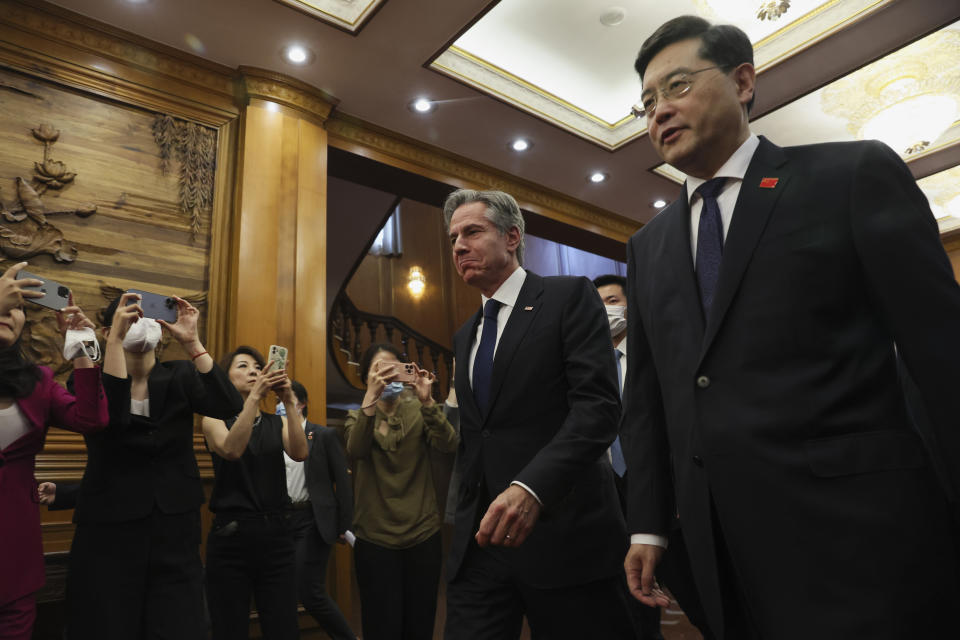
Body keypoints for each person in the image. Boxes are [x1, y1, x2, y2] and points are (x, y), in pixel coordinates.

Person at [621, 15, 960, 640]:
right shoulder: (648, 246)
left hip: (858, 539)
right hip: (722, 552)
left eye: (677, 86)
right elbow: (646, 399)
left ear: (743, 81)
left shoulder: (848, 177)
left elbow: (941, 351)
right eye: (646, 102)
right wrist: (649, 525)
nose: (658, 111)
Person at [442, 189, 634, 639]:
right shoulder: (465, 334)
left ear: (512, 237)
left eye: (472, 231)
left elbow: (599, 408)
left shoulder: (568, 297)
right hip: (482, 548)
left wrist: (532, 487)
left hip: (563, 536)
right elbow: (479, 437)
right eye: (453, 238)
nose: (458, 246)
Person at [65, 291, 243, 640]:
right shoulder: (86, 380)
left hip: (174, 526)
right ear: (107, 329)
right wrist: (115, 343)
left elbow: (227, 404)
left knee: (177, 622)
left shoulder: (180, 375)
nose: (140, 321)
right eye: (129, 315)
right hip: (109, 526)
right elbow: (111, 420)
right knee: (108, 621)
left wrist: (193, 343)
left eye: (146, 315)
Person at [0, 262, 109, 640]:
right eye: (4, 302)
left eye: (16, 308)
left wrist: (82, 346)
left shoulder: (39, 381)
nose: (8, 314)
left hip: (15, 560)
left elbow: (91, 419)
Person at [343, 343, 458, 640]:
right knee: (381, 626)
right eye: (379, 370)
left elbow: (449, 445)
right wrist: (371, 399)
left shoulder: (417, 409)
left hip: (422, 533)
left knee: (419, 623)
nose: (387, 375)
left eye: (394, 368)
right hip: (375, 538)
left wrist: (428, 402)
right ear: (366, 377)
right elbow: (355, 449)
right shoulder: (358, 416)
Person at [201, 346, 308, 640]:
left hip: (277, 535)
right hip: (231, 538)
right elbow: (232, 449)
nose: (253, 370)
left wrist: (287, 398)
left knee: (283, 626)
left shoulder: (279, 421)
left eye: (257, 367)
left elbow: (300, 452)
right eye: (243, 366)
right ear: (225, 378)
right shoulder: (213, 419)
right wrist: (254, 399)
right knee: (229, 626)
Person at [284, 380, 356, 640]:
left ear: (301, 404)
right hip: (280, 521)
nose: (282, 403)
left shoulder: (321, 435)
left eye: (287, 398)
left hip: (312, 520)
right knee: (283, 593)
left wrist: (343, 525)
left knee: (310, 591)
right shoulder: (273, 433)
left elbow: (343, 482)